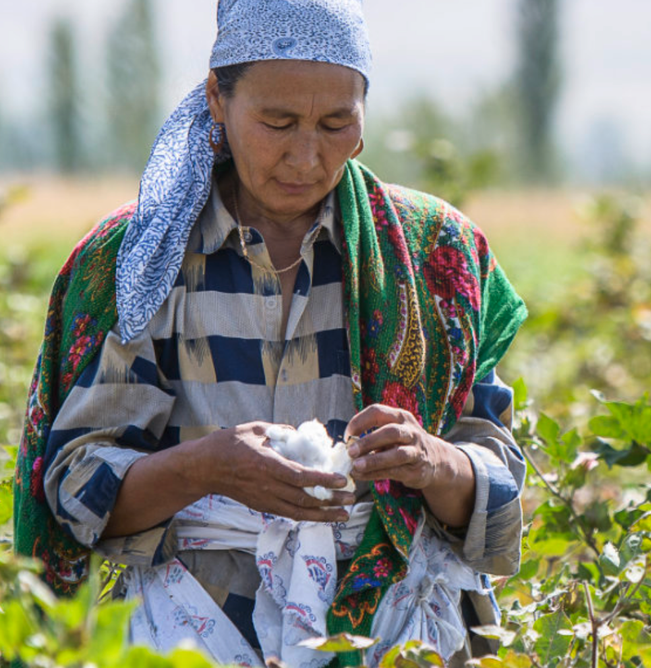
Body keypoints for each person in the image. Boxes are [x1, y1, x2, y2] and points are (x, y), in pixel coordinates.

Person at [13, 2, 527, 666]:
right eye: (277, 123)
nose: (306, 157)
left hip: (390, 641)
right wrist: (206, 469)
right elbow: (76, 494)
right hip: (186, 637)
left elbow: (502, 494)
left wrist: (430, 461)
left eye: (336, 123)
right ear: (216, 100)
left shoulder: (431, 258)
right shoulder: (143, 256)